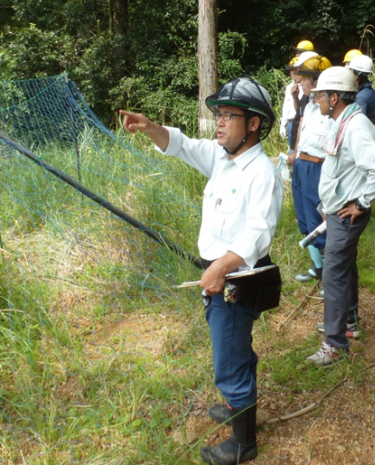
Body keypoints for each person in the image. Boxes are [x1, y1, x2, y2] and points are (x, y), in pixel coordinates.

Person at [120, 77, 283, 465]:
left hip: (236, 280)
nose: (220, 123)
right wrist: (150, 128)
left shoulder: (261, 172)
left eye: (229, 115)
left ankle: (243, 444)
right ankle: (236, 407)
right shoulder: (221, 158)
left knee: (227, 360)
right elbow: (184, 146)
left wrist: (221, 267)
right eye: (218, 114)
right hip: (218, 273)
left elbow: (259, 234)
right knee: (236, 348)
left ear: (254, 123)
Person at [305, 67, 375, 366]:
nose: (317, 101)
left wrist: (362, 203)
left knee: (334, 274)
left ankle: (335, 344)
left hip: (346, 215)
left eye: (321, 96)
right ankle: (348, 323)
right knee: (344, 267)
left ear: (335, 96)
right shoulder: (342, 120)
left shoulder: (355, 126)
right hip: (337, 212)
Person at [287, 53, 332, 283]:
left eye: (303, 79)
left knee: (320, 221)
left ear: (315, 81)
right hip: (302, 165)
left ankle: (329, 278)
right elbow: (301, 133)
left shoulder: (331, 110)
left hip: (318, 168)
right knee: (305, 219)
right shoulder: (309, 107)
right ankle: (317, 267)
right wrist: (294, 153)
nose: (299, 82)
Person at [347, 54, 375, 126]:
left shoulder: (361, 97)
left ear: (356, 76)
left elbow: (359, 123)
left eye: (351, 71)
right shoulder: (369, 90)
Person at [279, 57, 300, 151]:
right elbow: (285, 107)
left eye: (297, 69)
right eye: (292, 69)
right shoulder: (289, 87)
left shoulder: (305, 86)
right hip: (291, 123)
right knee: (292, 150)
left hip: (301, 123)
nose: (294, 72)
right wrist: (283, 125)